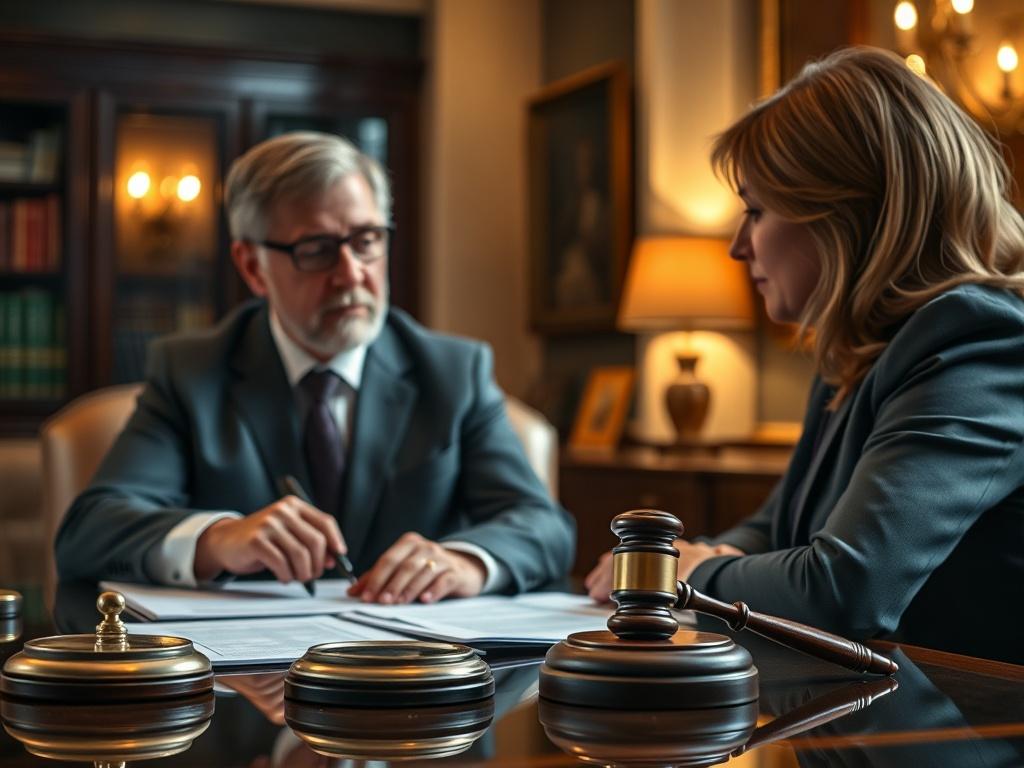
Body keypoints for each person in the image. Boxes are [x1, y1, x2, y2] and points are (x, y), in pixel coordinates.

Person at [586, 47, 1024, 663]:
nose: (739, 246)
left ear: (847, 215)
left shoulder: (978, 342)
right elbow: (776, 529)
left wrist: (681, 580)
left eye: (756, 211)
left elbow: (845, 589)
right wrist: (688, 558)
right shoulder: (855, 352)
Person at [56, 131, 575, 603]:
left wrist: (464, 562)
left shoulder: (452, 371)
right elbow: (90, 531)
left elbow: (542, 526)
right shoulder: (193, 373)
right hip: (248, 686)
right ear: (253, 266)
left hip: (417, 678)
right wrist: (216, 539)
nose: (352, 274)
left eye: (367, 240)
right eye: (317, 249)